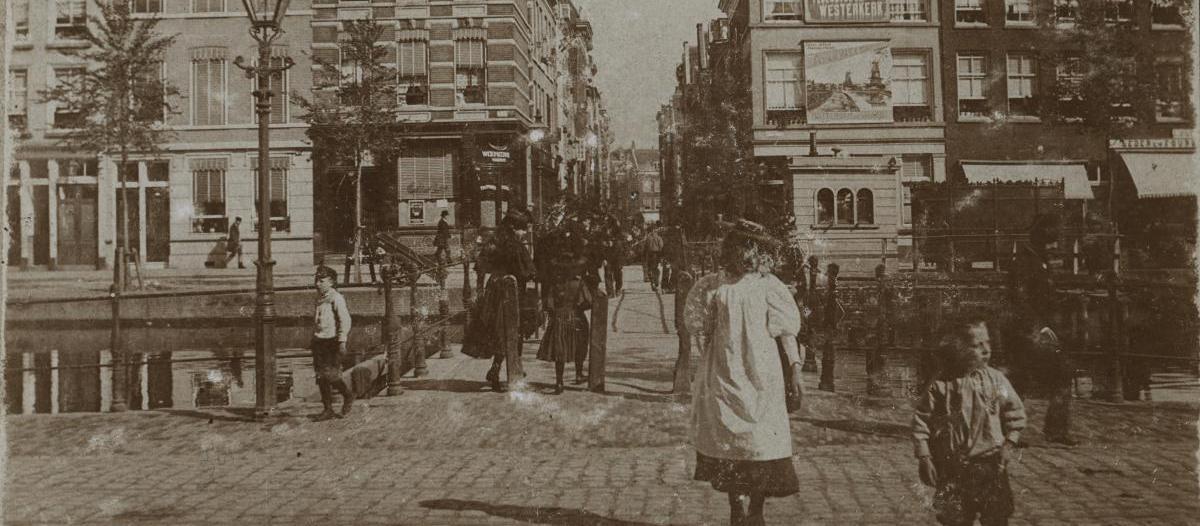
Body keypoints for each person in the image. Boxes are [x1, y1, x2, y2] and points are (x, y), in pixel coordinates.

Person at [685, 220, 804, 526]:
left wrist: (795, 368)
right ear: (731, 249)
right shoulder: (714, 286)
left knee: (761, 442)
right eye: (739, 245)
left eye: (751, 247)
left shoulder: (769, 286)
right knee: (730, 444)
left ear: (760, 252)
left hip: (762, 374)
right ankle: (737, 508)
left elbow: (786, 331)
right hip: (725, 371)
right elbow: (701, 327)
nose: (745, 252)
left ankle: (757, 509)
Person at [913, 314, 1027, 526]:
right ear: (959, 349)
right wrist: (924, 457)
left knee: (996, 517)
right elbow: (921, 422)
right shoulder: (941, 385)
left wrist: (1009, 444)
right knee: (954, 519)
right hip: (953, 467)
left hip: (991, 464)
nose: (986, 350)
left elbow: (1016, 413)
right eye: (977, 345)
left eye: (988, 343)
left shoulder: (996, 379)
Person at [462, 210, 536, 392]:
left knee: (498, 331)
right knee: (512, 328)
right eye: (522, 229)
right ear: (513, 228)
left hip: (494, 290)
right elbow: (528, 271)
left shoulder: (494, 241)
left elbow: (480, 265)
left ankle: (501, 369)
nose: (524, 233)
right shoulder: (515, 246)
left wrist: (481, 289)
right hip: (511, 292)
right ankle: (507, 368)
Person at [535, 253, 592, 394]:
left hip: (559, 319)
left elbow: (549, 305)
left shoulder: (555, 284)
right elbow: (588, 302)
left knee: (559, 350)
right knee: (580, 345)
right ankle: (578, 374)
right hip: (576, 318)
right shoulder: (579, 283)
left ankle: (559, 382)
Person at [311, 265, 356, 421]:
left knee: (331, 375)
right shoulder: (319, 298)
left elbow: (345, 320)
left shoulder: (336, 298)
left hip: (331, 342)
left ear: (331, 282)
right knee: (320, 377)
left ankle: (348, 395)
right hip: (319, 341)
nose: (317, 283)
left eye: (321, 280)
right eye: (317, 280)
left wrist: (342, 340)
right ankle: (328, 409)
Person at [644, 226, 664, 291]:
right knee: (655, 269)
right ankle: (656, 282)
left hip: (649, 254)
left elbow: (645, 248)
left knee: (650, 269)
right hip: (656, 254)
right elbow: (661, 247)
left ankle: (652, 282)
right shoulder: (659, 238)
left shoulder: (648, 238)